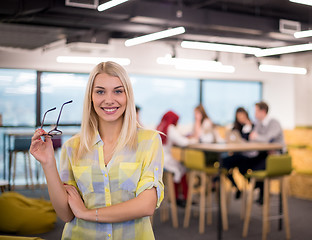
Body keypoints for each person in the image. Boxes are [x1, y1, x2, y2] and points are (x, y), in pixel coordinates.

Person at [30, 61, 164, 239]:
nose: (109, 99)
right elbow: (66, 214)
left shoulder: (149, 141)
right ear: (91, 97)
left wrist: (86, 213)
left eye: (118, 91)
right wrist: (48, 163)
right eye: (100, 91)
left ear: (127, 96)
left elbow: (146, 205)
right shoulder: (73, 146)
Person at [156, 110, 197, 207]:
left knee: (179, 168)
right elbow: (183, 142)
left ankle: (177, 197)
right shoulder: (170, 128)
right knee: (182, 168)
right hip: (166, 160)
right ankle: (182, 197)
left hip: (157, 160)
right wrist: (194, 139)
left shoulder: (160, 126)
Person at [222, 107, 255, 199]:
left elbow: (250, 141)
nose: (241, 118)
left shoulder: (252, 126)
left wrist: (248, 127)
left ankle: (252, 182)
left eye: (242, 116)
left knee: (225, 164)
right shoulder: (235, 128)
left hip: (247, 156)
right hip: (237, 154)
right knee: (223, 165)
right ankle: (236, 186)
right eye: (238, 116)